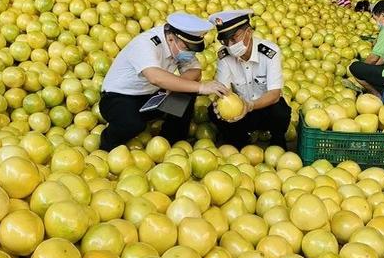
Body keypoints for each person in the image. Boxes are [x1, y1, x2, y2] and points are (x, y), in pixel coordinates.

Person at [99, 12, 229, 151]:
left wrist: (174, 85)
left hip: (149, 97)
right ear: (172, 38)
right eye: (187, 49)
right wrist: (201, 87)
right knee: (133, 124)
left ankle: (172, 141)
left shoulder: (180, 46)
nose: (189, 54)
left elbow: (195, 72)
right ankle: (106, 145)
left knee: (186, 92)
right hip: (118, 98)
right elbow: (155, 77)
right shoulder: (146, 44)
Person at [208, 9, 291, 149]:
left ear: (249, 32)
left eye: (234, 38)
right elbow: (224, 89)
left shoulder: (270, 52)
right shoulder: (224, 56)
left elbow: (274, 94)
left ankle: (277, 140)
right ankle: (240, 140)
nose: (229, 45)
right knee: (213, 112)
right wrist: (220, 103)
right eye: (225, 40)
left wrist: (250, 105)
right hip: (241, 112)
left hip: (265, 108)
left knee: (281, 110)